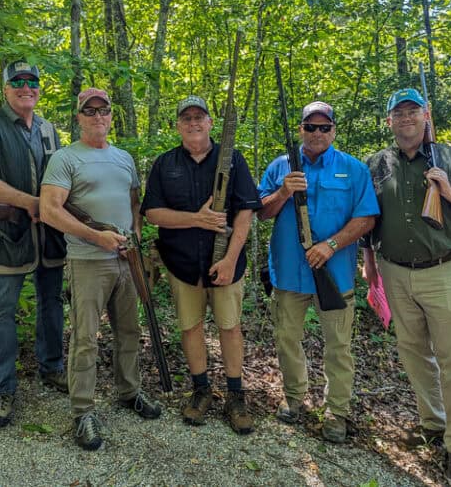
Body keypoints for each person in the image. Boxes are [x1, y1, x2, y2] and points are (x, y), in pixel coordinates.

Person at [361, 88, 451, 487]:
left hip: (444, 272)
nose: (405, 119)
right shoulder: (379, 163)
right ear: (389, 121)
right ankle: (432, 424)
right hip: (394, 271)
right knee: (414, 354)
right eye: (398, 113)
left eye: (412, 111)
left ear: (425, 116)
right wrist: (369, 264)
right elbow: (369, 217)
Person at [39, 87, 161, 451]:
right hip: (88, 262)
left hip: (126, 261)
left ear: (111, 115)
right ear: (78, 117)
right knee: (85, 339)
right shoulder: (64, 159)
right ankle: (82, 412)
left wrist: (133, 240)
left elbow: (135, 204)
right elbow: (50, 210)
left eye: (102, 110)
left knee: (128, 332)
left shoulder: (124, 158)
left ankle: (130, 392)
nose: (97, 116)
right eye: (89, 111)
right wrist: (96, 236)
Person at [258, 101, 378, 443]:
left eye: (324, 127)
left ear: (333, 130)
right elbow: (260, 213)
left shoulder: (353, 169)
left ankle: (336, 413)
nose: (317, 133)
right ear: (301, 129)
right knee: (286, 339)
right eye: (311, 127)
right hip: (288, 275)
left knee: (338, 347)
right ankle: (294, 399)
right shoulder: (280, 167)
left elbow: (366, 218)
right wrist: (283, 192)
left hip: (335, 275)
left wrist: (331, 245)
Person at [141, 95, 262, 435]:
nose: (193, 123)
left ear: (210, 122)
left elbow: (245, 213)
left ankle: (236, 396)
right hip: (181, 264)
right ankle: (201, 390)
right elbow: (152, 213)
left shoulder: (233, 160)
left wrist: (230, 259)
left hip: (227, 265)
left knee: (229, 327)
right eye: (187, 118)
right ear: (178, 125)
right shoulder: (165, 164)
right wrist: (197, 219)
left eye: (200, 117)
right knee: (190, 326)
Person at [0, 60, 68, 429]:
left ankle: (52, 368)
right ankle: (2, 388)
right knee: (2, 310)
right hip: (8, 233)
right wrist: (30, 203)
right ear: (6, 88)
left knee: (52, 302)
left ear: (39, 88)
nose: (26, 87)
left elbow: (60, 176)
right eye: (18, 82)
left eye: (32, 82)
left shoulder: (48, 129)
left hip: (48, 234)